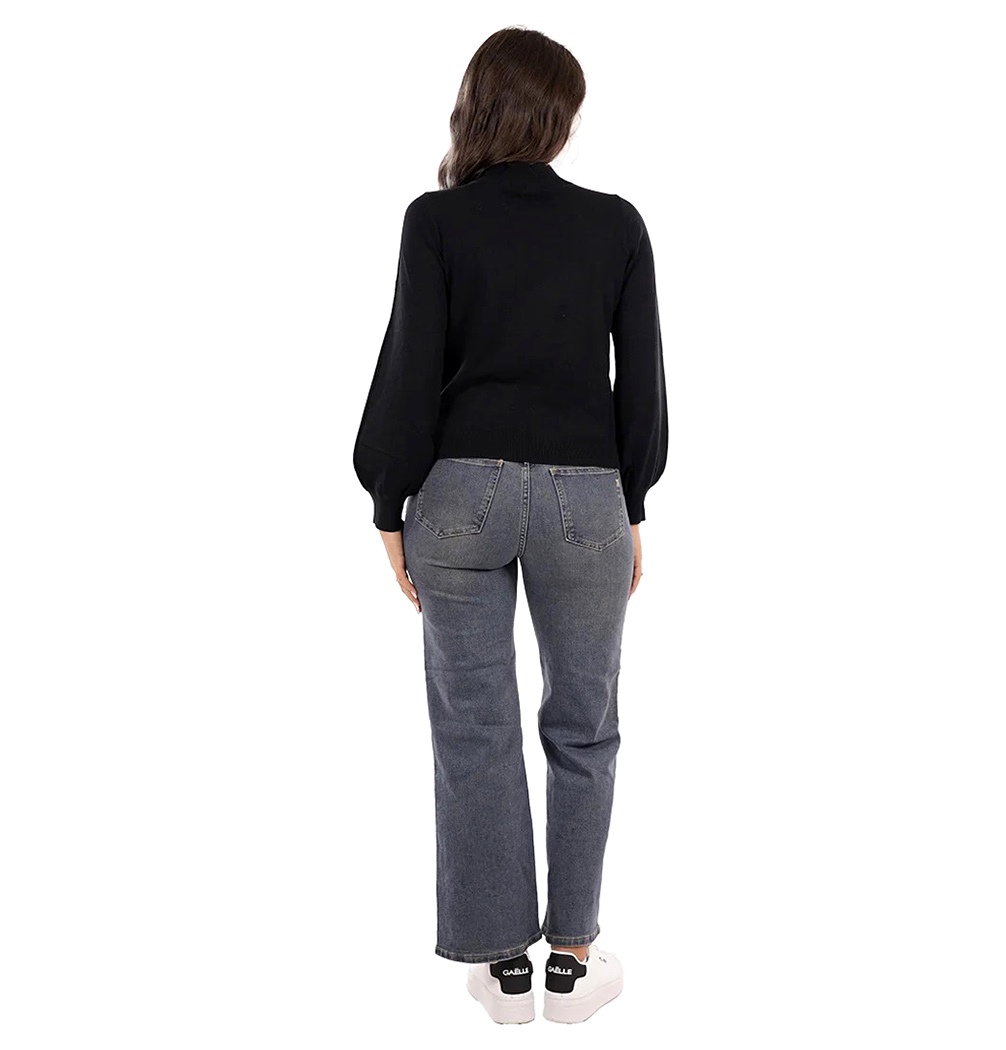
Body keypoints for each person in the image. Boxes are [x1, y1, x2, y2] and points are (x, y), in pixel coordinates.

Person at [353, 26, 668, 1025]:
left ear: (477, 105)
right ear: (558, 117)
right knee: (586, 722)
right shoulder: (616, 226)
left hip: (459, 500)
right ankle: (572, 958)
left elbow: (409, 370)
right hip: (588, 501)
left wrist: (388, 503)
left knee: (474, 726)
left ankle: (502, 968)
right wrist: (633, 501)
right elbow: (642, 385)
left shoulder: (436, 222)